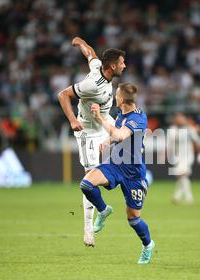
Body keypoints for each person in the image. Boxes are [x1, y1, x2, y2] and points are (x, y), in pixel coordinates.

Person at [58, 37, 126, 247]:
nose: (125, 65)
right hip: (87, 130)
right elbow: (63, 95)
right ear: (113, 66)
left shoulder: (100, 68)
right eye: (122, 62)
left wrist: (79, 42)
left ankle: (116, 185)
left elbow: (91, 54)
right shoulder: (91, 85)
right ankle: (89, 228)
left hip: (104, 121)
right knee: (89, 181)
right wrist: (72, 120)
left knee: (131, 138)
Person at [80, 83, 155, 264]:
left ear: (120, 99)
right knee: (86, 184)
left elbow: (121, 135)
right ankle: (104, 210)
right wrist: (107, 141)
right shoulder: (123, 114)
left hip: (133, 175)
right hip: (115, 164)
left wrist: (99, 118)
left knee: (133, 220)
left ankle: (147, 245)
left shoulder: (138, 119)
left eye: (116, 95)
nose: (115, 97)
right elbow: (117, 135)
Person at [167, 112, 200, 204]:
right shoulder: (172, 130)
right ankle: (177, 196)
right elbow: (169, 144)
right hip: (177, 157)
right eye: (177, 118)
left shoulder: (190, 129)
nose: (179, 120)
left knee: (181, 174)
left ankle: (189, 198)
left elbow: (196, 142)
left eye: (181, 118)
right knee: (182, 177)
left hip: (188, 156)